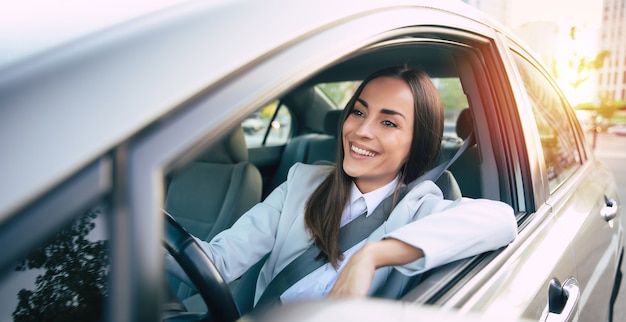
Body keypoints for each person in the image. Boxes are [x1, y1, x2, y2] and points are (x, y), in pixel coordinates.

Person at [197, 66, 517, 307]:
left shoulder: (419, 207)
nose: (362, 130)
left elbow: (502, 219)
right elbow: (220, 261)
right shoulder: (302, 182)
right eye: (359, 112)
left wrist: (372, 254)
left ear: (416, 141)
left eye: (388, 122)